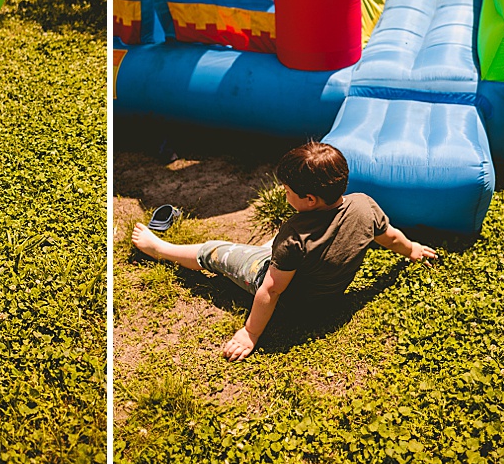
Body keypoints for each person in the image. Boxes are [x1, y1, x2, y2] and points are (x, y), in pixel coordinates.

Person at [131, 141, 437, 361]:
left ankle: (160, 247)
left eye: (288, 192)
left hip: (293, 299)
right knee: (274, 249)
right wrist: (413, 251)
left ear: (310, 200)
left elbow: (271, 289)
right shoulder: (364, 204)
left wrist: (250, 333)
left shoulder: (295, 234)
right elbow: (393, 237)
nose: (284, 194)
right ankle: (266, 253)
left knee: (217, 251)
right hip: (324, 294)